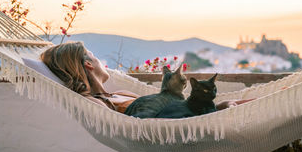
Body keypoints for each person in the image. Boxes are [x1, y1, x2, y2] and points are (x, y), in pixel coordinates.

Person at [40, 41, 242, 113]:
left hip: (202, 117)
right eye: (94, 56)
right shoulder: (93, 104)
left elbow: (171, 108)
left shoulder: (119, 93)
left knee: (254, 103)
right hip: (193, 132)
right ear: (88, 65)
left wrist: (220, 107)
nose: (98, 59)